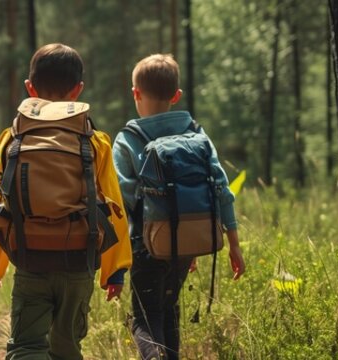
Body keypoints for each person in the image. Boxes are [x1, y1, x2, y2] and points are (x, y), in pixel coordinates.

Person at [0, 43, 132, 360]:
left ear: (29, 88)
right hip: (79, 260)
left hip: (29, 256)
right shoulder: (95, 141)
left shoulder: (12, 138)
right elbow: (113, 206)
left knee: (26, 345)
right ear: (78, 91)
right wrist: (114, 270)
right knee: (66, 346)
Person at [111, 54, 246, 359]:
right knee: (169, 310)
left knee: (145, 318)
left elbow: (122, 201)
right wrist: (233, 244)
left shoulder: (127, 139)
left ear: (135, 93)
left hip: (146, 245)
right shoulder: (197, 134)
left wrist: (117, 257)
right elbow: (222, 190)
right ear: (176, 96)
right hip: (186, 245)